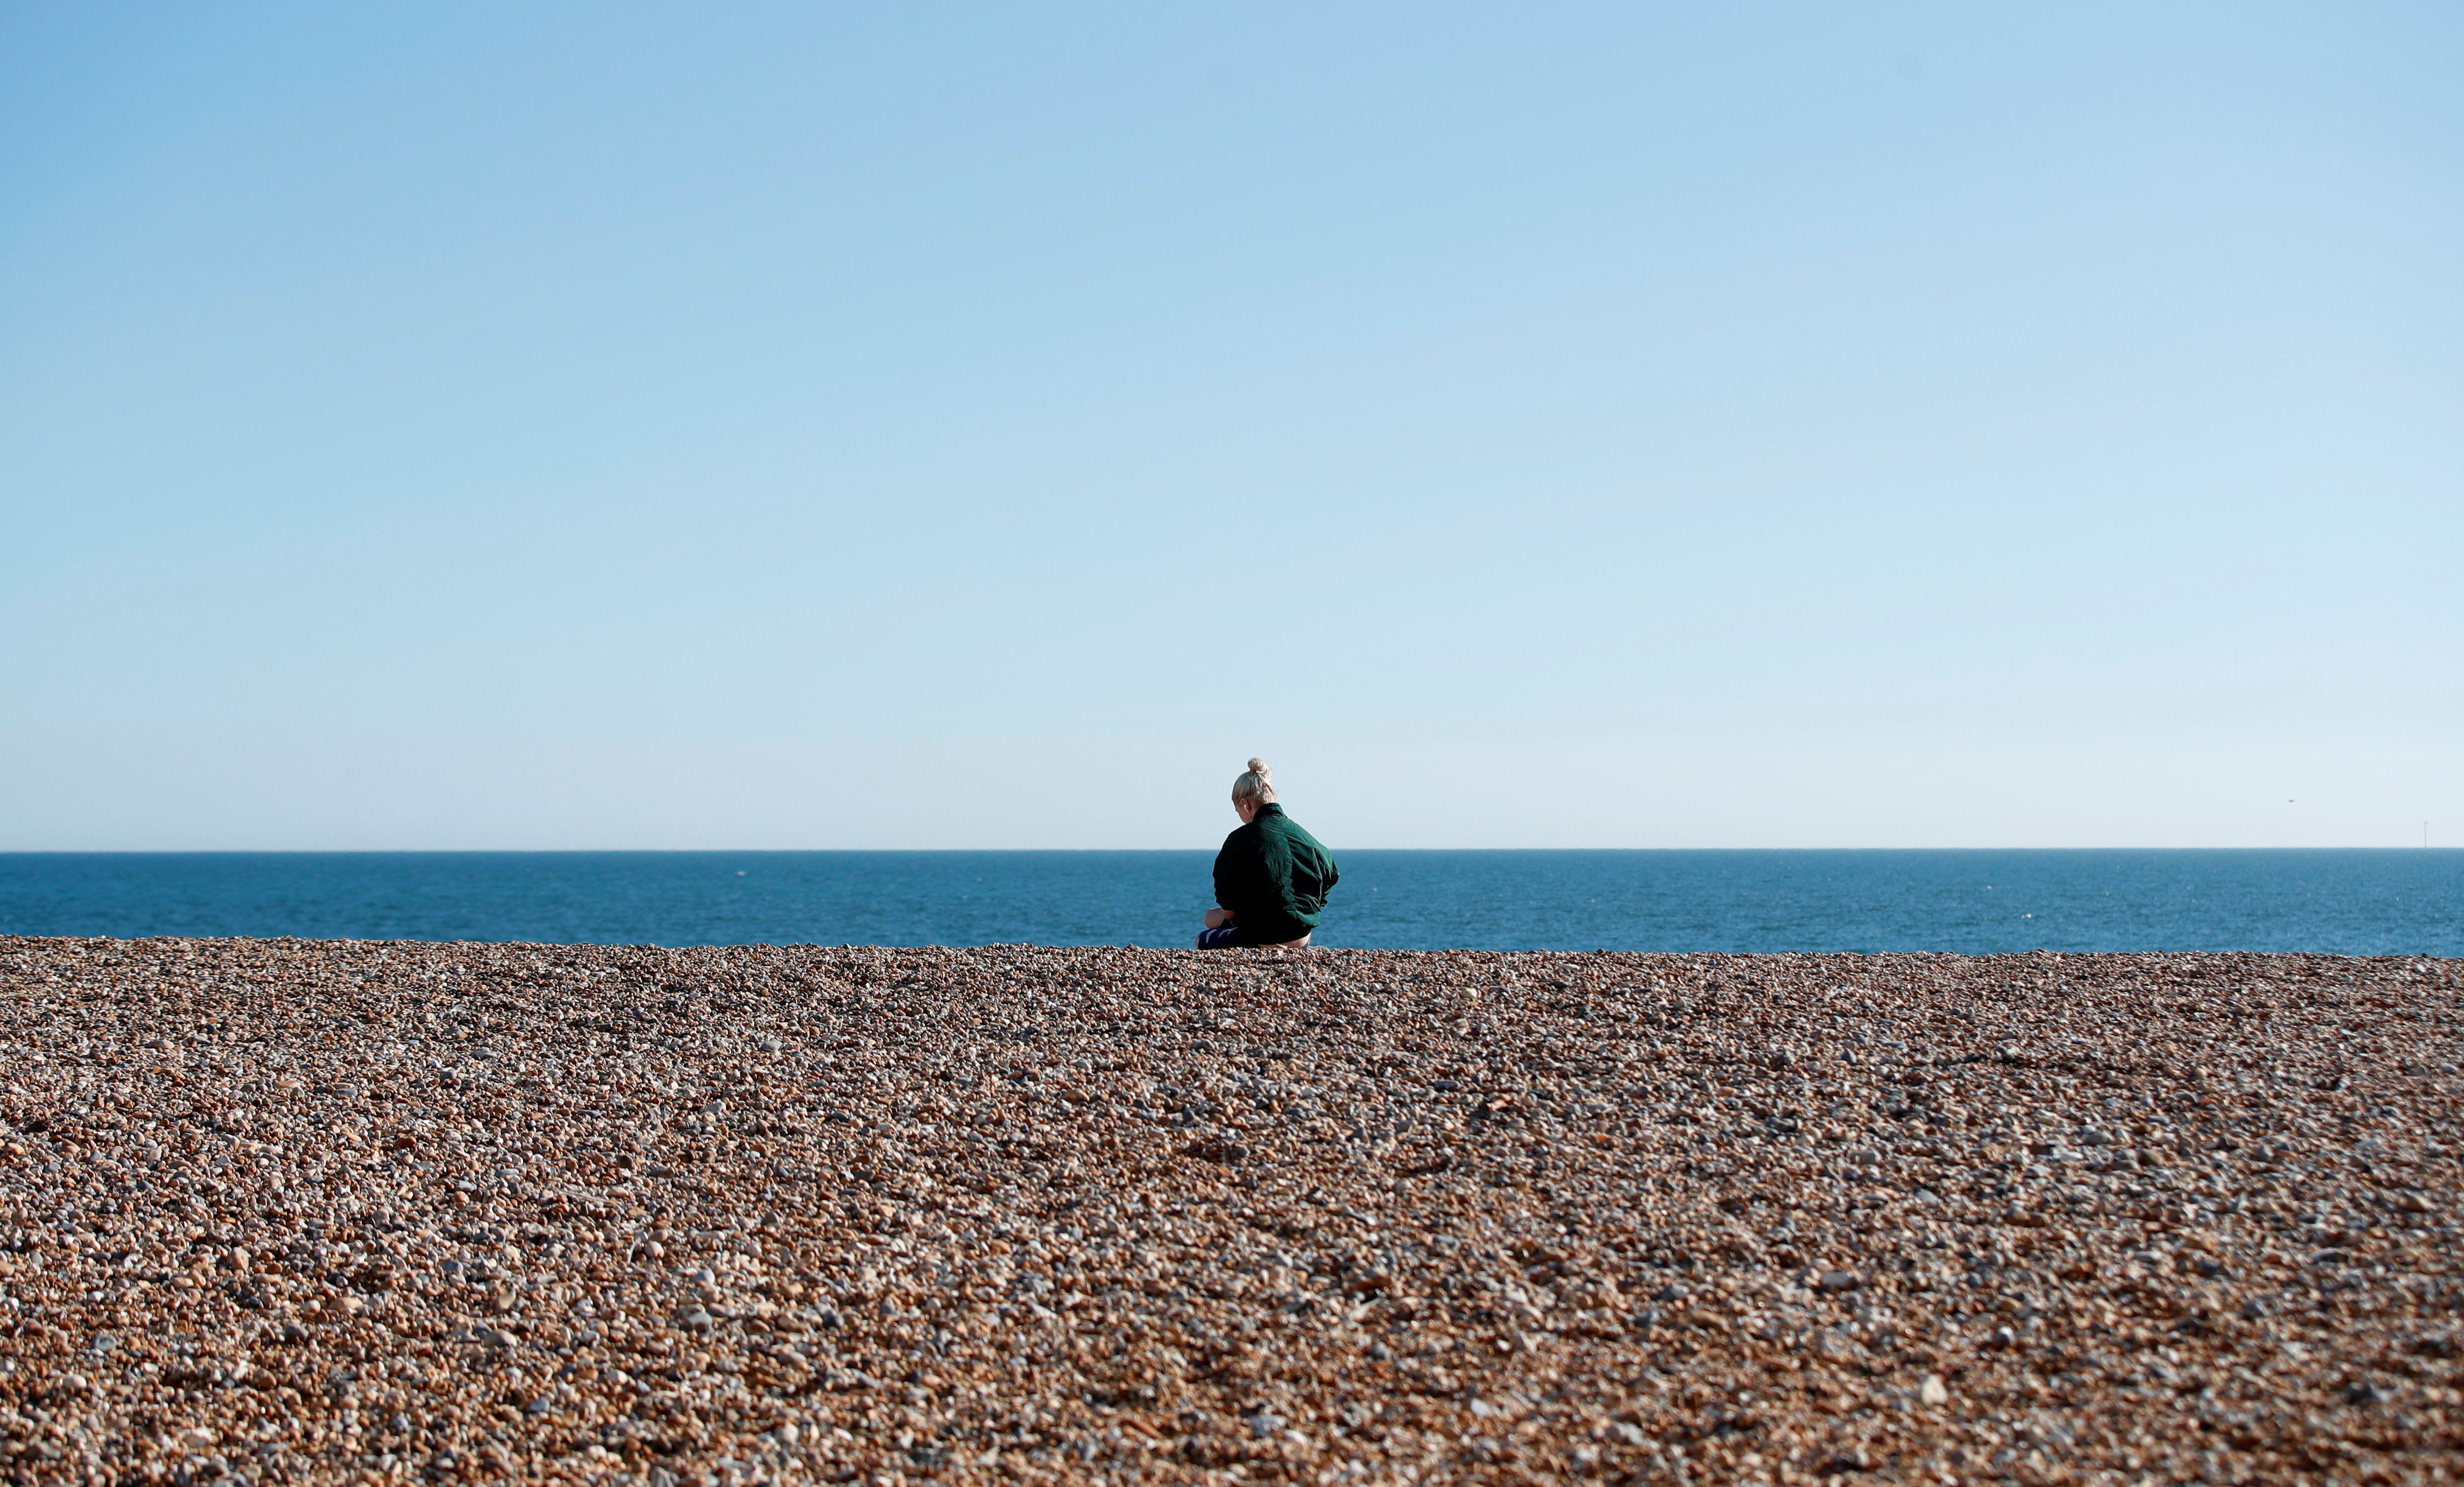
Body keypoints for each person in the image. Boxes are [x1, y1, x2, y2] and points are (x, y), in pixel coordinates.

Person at [1197, 758, 1339, 949]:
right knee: (1211, 917)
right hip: (1301, 936)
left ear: (1246, 805)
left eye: (1238, 811)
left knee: (1203, 935)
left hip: (1259, 939)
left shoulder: (1238, 840)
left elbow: (1229, 912)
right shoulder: (1308, 840)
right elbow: (1331, 874)